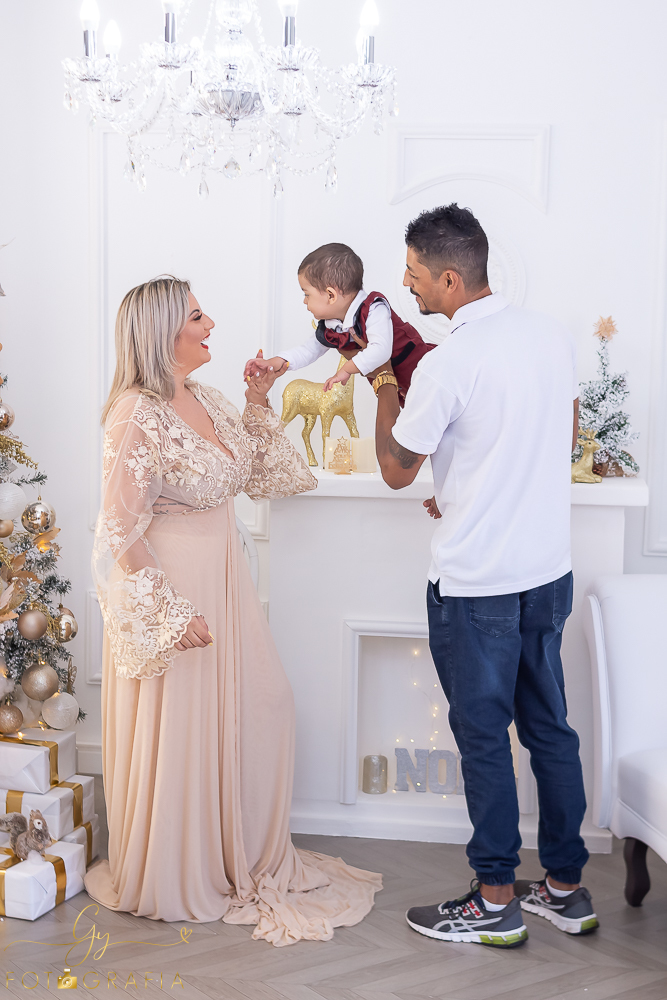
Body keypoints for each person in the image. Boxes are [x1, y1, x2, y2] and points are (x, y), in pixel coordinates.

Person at [84, 275, 382, 945]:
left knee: (265, 706)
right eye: (196, 315)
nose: (210, 321)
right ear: (163, 332)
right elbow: (119, 528)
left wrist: (255, 399)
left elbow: (260, 474)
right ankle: (182, 868)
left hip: (226, 585)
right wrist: (167, 612)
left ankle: (234, 852)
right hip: (176, 593)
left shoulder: (205, 398)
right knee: (186, 731)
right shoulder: (135, 411)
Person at [369, 204, 597, 948]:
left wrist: (379, 385)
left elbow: (397, 471)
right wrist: (464, 479)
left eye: (412, 278)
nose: (406, 292)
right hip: (546, 575)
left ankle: (495, 898)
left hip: (477, 589)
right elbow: (554, 439)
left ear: (448, 276)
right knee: (549, 730)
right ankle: (563, 888)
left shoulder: (446, 362)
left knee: (482, 739)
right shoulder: (546, 334)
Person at [243, 243, 435, 404]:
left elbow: (381, 350)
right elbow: (307, 351)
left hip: (427, 373)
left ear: (331, 295)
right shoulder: (332, 326)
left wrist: (346, 370)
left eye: (306, 294)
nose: (304, 301)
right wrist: (272, 363)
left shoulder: (374, 308)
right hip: (404, 390)